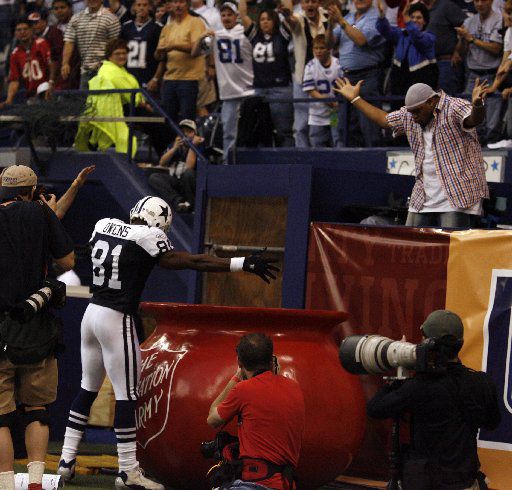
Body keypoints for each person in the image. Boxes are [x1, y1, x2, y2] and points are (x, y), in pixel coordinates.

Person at [58, 196, 279, 489]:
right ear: (159, 222)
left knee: (88, 388)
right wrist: (241, 263)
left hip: (91, 314)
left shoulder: (104, 224)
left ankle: (66, 460)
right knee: (127, 396)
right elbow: (192, 261)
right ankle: (128, 471)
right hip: (116, 317)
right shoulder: (149, 236)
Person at [0, 165, 75, 490]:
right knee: (37, 409)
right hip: (38, 330)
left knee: (1, 417)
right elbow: (68, 262)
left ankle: (3, 483)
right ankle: (33, 483)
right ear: (32, 190)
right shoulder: (42, 214)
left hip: (0, 331)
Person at [367, 310, 501, 490]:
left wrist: (398, 368)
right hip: (465, 483)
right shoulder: (481, 382)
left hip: (427, 483)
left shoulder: (418, 386)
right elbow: (492, 423)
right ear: (459, 344)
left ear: (428, 344)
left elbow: (375, 408)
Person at [334, 79, 489, 227]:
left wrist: (478, 105)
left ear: (430, 102)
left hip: (456, 193)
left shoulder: (455, 106)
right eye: (411, 113)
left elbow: (474, 119)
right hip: (423, 194)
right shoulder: (411, 114)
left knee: (452, 246)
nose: (413, 117)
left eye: (417, 112)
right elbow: (384, 120)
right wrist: (355, 99)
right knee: (412, 245)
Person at [207, 333, 305, 490]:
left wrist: (236, 378)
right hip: (287, 484)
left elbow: (212, 419)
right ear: (271, 358)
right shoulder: (295, 388)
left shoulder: (243, 389)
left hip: (254, 485)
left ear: (239, 362)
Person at [74, 39, 169, 157]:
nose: (122, 56)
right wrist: (146, 106)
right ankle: (166, 156)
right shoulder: (110, 71)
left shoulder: (119, 69)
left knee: (162, 118)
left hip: (129, 106)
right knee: (159, 122)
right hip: (118, 109)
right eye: (118, 54)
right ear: (109, 56)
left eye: (124, 53)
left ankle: (166, 156)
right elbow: (131, 97)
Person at [192, 2, 255, 162]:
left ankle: (248, 164)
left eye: (229, 15)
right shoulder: (216, 35)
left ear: (236, 16)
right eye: (223, 15)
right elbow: (195, 52)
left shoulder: (244, 32)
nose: (226, 18)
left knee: (248, 132)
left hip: (249, 89)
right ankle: (228, 166)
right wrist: (202, 36)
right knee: (228, 132)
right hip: (228, 93)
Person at [328, 0, 386, 147]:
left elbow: (361, 40)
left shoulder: (375, 17)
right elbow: (329, 44)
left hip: (367, 78)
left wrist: (340, 20)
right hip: (346, 78)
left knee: (369, 127)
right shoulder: (348, 18)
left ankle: (374, 164)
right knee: (345, 127)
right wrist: (330, 24)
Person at [239, 0, 295, 147]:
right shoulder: (255, 36)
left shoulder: (281, 35)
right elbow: (243, 14)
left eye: (269, 19)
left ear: (275, 21)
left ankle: (288, 164)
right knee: (260, 130)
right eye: (262, 19)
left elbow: (289, 10)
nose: (265, 22)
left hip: (280, 89)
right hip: (259, 90)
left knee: (284, 131)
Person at [280, 0, 330, 148]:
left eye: (313, 1)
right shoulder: (298, 18)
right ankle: (302, 156)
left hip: (327, 79)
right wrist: (287, 15)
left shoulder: (328, 17)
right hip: (302, 79)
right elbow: (292, 21)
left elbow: (348, 28)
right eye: (306, 2)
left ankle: (332, 153)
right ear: (302, 5)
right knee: (301, 124)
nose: (310, 5)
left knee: (331, 121)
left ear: (319, 3)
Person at [454, 0, 503, 144]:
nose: (480, 4)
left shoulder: (499, 19)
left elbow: (496, 49)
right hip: (473, 74)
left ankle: (492, 145)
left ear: (491, 1)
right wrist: (462, 41)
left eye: (483, 0)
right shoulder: (469, 21)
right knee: (470, 115)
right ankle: (473, 146)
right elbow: (460, 52)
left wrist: (471, 39)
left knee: (492, 122)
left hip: (492, 73)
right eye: (476, 1)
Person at [156, 0, 206, 127]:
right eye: (175, 2)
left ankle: (189, 146)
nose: (178, 5)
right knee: (168, 120)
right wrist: (159, 53)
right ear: (170, 5)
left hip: (189, 78)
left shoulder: (195, 22)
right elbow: (159, 55)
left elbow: (196, 48)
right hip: (169, 78)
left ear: (188, 4)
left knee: (187, 121)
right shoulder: (167, 28)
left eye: (181, 2)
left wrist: (174, 45)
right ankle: (171, 146)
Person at [376, 0, 438, 95]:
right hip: (399, 81)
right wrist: (381, 16)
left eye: (419, 18)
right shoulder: (402, 35)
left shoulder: (429, 37)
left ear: (425, 21)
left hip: (421, 82)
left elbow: (417, 38)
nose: (414, 20)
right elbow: (385, 30)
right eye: (412, 17)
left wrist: (408, 21)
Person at [62, 0, 121, 90]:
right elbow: (69, 41)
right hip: (85, 70)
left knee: (103, 100)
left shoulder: (111, 18)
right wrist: (65, 63)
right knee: (85, 102)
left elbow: (114, 45)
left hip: (105, 70)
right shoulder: (76, 18)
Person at [148, 119, 203, 212]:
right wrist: (174, 148)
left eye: (189, 132)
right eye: (182, 132)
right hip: (177, 182)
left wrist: (193, 145)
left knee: (188, 173)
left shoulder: (199, 146)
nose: (185, 135)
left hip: (192, 185)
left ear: (195, 134)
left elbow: (189, 166)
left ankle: (192, 205)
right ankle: (179, 202)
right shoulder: (174, 145)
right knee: (154, 177)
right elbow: (162, 163)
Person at [0, 19, 53, 108]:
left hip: (47, 92)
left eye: (25, 29)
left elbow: (51, 65)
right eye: (19, 30)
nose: (22, 32)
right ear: (15, 33)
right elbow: (14, 80)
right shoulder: (15, 53)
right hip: (31, 97)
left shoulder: (42, 44)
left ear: (32, 30)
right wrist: (8, 100)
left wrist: (51, 83)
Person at [303, 34, 341, 147]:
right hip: (316, 115)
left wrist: (336, 101)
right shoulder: (310, 66)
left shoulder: (338, 64)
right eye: (316, 48)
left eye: (322, 48)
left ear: (329, 49)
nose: (318, 51)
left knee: (337, 140)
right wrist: (325, 99)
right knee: (317, 144)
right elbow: (309, 89)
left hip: (334, 112)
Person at [423, 0, 466, 96]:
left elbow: (466, 25)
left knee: (446, 100)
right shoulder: (419, 7)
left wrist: (458, 50)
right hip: (426, 64)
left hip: (446, 62)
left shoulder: (446, 6)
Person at [120, 0, 163, 92]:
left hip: (148, 76)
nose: (141, 7)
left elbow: (162, 57)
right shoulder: (126, 27)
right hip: (128, 76)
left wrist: (155, 78)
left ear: (150, 7)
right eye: (138, 5)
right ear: (134, 7)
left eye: (145, 5)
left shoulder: (157, 28)